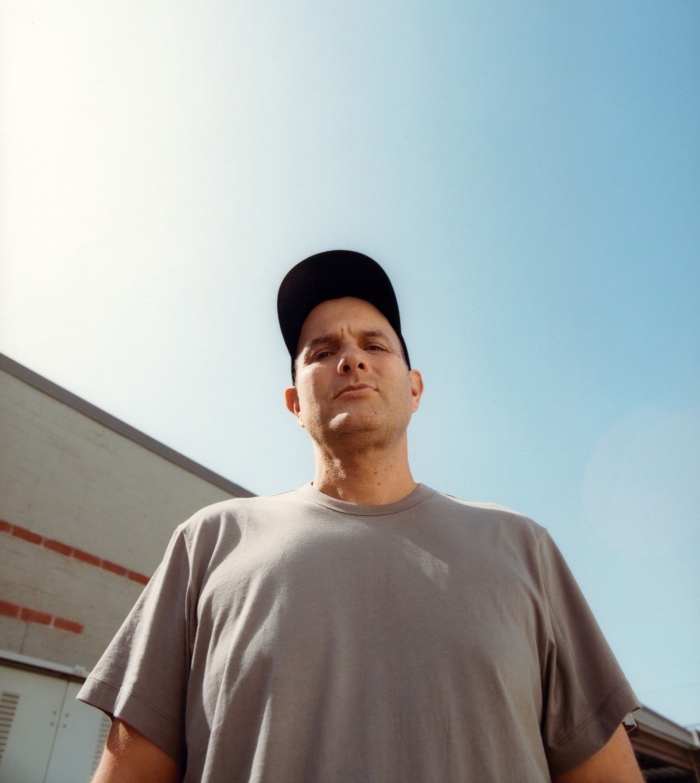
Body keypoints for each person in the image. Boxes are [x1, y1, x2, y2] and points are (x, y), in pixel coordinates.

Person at [80, 250, 643, 783]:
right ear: (295, 404)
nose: (351, 358)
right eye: (322, 353)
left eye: (375, 344)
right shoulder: (209, 544)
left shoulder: (523, 547)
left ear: (415, 387)